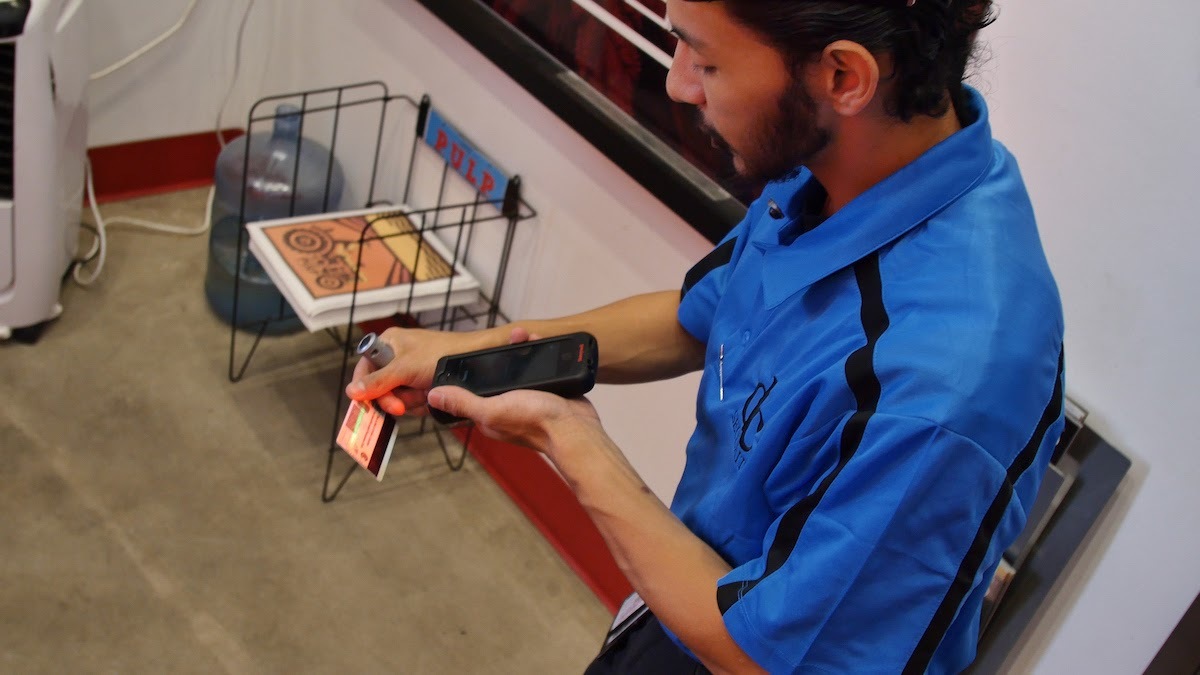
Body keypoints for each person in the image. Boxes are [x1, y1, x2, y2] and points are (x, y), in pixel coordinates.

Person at [346, 0, 1065, 672]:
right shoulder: (845, 171)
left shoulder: (948, 384)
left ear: (843, 76)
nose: (679, 83)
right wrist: (476, 352)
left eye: (704, 58)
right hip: (678, 592)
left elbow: (756, 653)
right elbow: (700, 315)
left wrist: (570, 439)